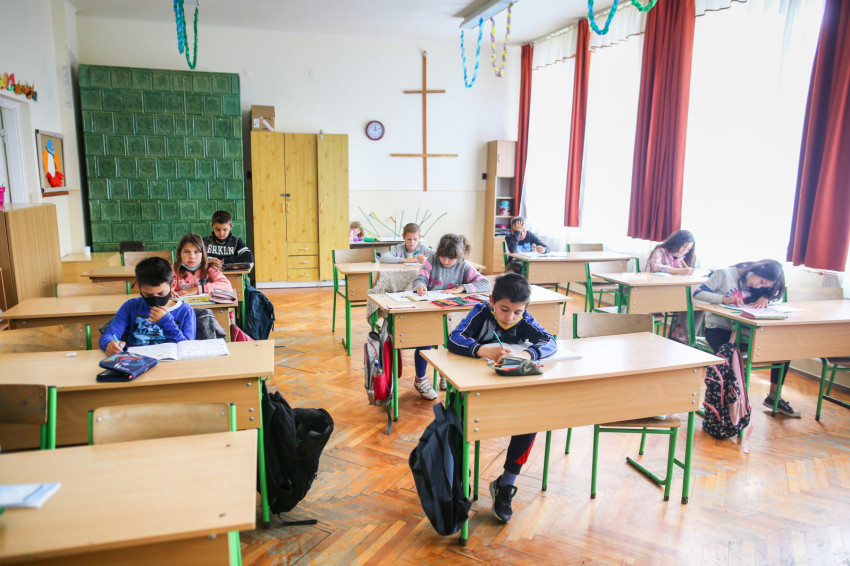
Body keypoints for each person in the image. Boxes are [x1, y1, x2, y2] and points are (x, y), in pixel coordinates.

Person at [448, 273, 557, 523]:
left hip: (512, 391)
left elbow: (550, 342)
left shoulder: (524, 319)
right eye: (504, 309)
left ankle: (506, 484)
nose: (510, 318)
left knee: (531, 420)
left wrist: (527, 355)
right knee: (457, 418)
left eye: (518, 312)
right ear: (492, 301)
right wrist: (482, 350)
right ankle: (460, 478)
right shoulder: (480, 312)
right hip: (475, 390)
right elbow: (453, 338)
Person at [693, 259, 799, 417]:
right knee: (730, 356)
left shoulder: (760, 288)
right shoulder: (725, 274)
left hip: (744, 330)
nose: (758, 286)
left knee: (783, 349)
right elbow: (697, 293)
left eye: (764, 286)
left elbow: (770, 295)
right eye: (761, 281)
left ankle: (774, 397)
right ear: (760, 268)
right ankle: (727, 404)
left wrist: (766, 297)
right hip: (719, 329)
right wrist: (723, 299)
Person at [410, 234, 491, 398]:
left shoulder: (463, 266)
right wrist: (420, 286)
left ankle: (446, 374)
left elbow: (485, 283)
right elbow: (420, 278)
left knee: (453, 343)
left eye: (451, 258)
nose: (446, 261)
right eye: (443, 256)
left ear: (459, 256)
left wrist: (463, 287)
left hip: (453, 316)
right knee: (425, 341)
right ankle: (420, 379)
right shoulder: (432, 260)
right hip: (430, 314)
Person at [99, 257, 196, 354]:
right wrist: (109, 344)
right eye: (148, 294)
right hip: (137, 360)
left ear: (173, 285)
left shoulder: (185, 311)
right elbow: (109, 334)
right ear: (139, 287)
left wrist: (166, 322)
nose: (155, 300)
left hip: (172, 361)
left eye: (161, 293)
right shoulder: (131, 306)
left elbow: (187, 348)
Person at [648, 230, 699, 343]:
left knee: (694, 305)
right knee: (685, 304)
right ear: (677, 242)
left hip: (677, 292)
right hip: (658, 291)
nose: (685, 251)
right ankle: (684, 339)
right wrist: (679, 271)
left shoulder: (685, 257)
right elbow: (655, 267)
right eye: (684, 247)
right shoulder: (660, 250)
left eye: (688, 249)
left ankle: (686, 339)